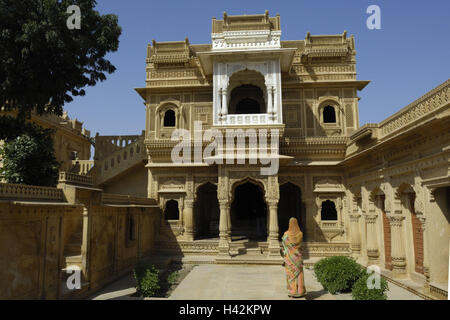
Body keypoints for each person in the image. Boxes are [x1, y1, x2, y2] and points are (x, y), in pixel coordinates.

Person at [282, 217, 306, 298]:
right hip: (298, 257)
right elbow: (300, 245)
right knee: (299, 273)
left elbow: (284, 244)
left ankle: (293, 290)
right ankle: (300, 290)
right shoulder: (300, 234)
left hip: (289, 257)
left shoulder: (286, 234)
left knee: (291, 273)